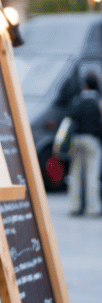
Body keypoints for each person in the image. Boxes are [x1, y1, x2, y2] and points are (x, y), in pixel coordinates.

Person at [67, 72, 102, 217]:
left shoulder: (77, 101)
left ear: (85, 85)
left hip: (76, 140)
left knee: (75, 175)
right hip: (92, 141)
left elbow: (70, 118)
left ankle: (75, 206)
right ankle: (92, 208)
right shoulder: (98, 102)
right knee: (92, 174)